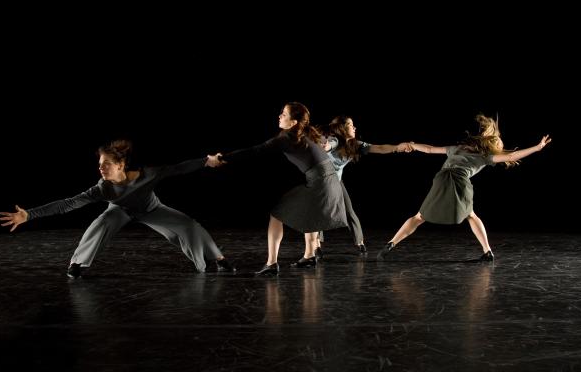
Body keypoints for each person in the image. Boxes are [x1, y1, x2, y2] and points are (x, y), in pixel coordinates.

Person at [0, 139, 235, 278]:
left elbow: (178, 168)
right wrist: (29, 214)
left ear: (121, 165)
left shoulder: (146, 175)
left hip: (151, 209)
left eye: (106, 165)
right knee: (100, 224)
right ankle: (77, 264)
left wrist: (207, 161)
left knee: (189, 226)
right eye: (100, 165)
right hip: (120, 209)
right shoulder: (103, 188)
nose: (101, 169)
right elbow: (68, 203)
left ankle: (219, 259)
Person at [376, 114, 552, 262]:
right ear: (490, 145)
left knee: (420, 216)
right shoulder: (486, 157)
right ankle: (487, 251)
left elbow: (429, 149)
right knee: (471, 215)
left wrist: (412, 145)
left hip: (442, 178)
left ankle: (391, 244)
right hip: (460, 181)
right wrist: (537, 148)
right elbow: (512, 155)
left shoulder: (458, 148)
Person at [208, 102, 348, 276]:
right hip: (329, 181)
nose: (279, 116)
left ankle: (272, 264)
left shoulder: (287, 138)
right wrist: (329, 144)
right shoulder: (306, 133)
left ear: (294, 122)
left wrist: (221, 158)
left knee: (277, 214)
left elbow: (255, 151)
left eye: (284, 114)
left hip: (321, 182)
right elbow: (330, 140)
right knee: (310, 213)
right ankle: (310, 255)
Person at [315, 115, 412, 256]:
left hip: (336, 181)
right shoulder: (334, 139)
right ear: (341, 128)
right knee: (320, 211)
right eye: (350, 124)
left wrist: (398, 147)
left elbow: (379, 148)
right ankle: (316, 245)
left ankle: (359, 242)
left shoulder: (356, 144)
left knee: (349, 210)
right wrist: (326, 146)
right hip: (321, 181)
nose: (354, 127)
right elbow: (330, 144)